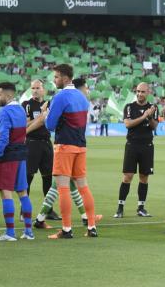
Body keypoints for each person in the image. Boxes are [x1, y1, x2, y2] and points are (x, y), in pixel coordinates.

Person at [33, 78, 101, 229]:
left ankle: (41, 218)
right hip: (67, 146)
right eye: (86, 88)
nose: (87, 91)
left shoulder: (67, 99)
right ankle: (83, 219)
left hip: (65, 146)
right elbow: (45, 122)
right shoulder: (63, 99)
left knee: (59, 185)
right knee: (67, 185)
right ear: (79, 88)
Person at [0, 82, 33, 242]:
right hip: (21, 155)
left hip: (8, 156)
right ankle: (28, 231)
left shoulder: (4, 111)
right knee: (23, 192)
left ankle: (10, 233)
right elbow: (8, 125)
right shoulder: (20, 110)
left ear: (8, 96)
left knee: (6, 192)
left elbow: (3, 137)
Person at [114, 83, 158, 218]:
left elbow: (154, 126)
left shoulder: (153, 108)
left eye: (143, 92)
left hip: (147, 146)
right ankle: (120, 208)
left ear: (148, 92)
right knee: (127, 176)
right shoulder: (129, 107)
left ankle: (141, 208)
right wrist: (144, 116)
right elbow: (128, 124)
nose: (140, 94)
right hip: (132, 145)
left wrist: (149, 116)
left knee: (144, 177)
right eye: (138, 91)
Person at [21, 79, 57, 220]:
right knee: (28, 177)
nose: (35, 90)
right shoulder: (27, 105)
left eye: (37, 87)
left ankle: (48, 210)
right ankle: (24, 211)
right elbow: (24, 123)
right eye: (33, 88)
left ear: (43, 89)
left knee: (48, 177)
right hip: (31, 143)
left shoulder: (49, 104)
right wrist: (41, 118)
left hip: (46, 143)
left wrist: (44, 117)